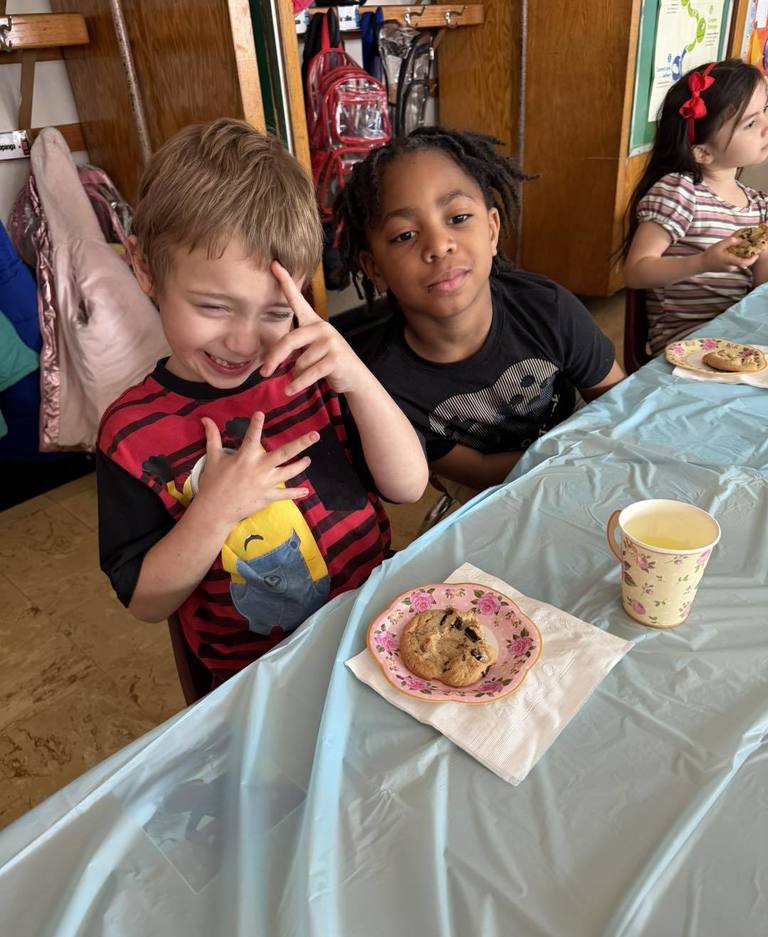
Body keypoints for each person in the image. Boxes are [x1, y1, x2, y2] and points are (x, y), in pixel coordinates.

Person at [96, 119, 427, 683]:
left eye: (275, 313)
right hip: (253, 682)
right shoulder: (131, 434)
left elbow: (408, 486)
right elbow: (146, 602)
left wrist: (358, 377)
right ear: (146, 271)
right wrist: (215, 510)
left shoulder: (313, 373)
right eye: (214, 307)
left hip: (371, 640)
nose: (244, 342)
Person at [334, 126, 624, 493]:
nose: (439, 245)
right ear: (374, 268)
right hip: (491, 495)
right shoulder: (383, 384)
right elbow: (479, 470)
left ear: (491, 230)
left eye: (458, 218)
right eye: (405, 235)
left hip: (590, 460)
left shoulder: (547, 308)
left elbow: (620, 403)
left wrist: (584, 458)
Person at [623, 58, 768, 353]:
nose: (766, 126)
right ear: (702, 152)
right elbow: (635, 272)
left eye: (765, 110)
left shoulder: (758, 205)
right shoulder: (680, 192)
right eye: (751, 123)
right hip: (690, 344)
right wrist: (704, 262)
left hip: (739, 333)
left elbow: (761, 289)